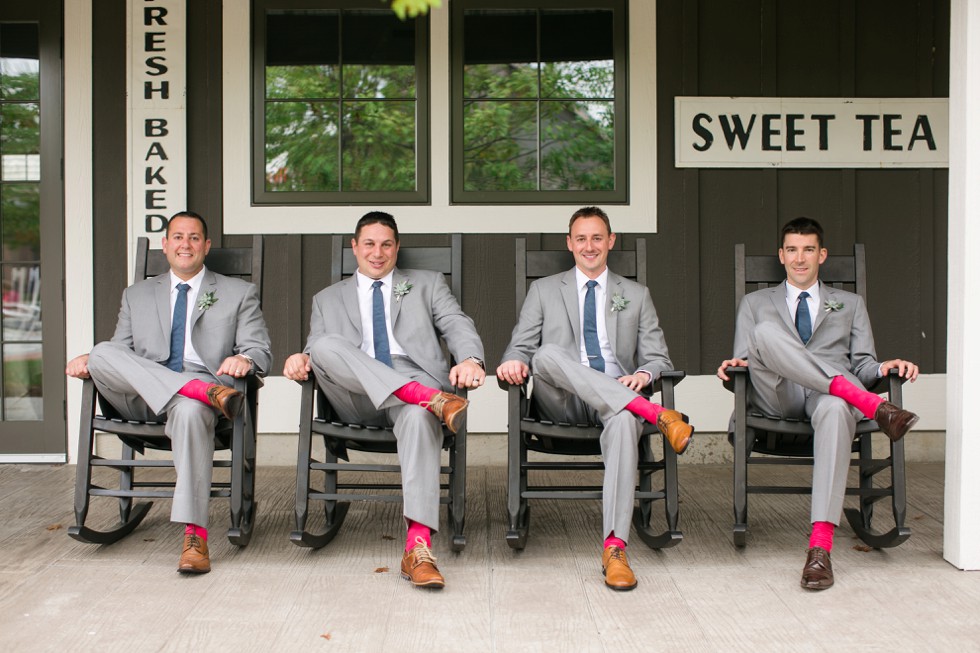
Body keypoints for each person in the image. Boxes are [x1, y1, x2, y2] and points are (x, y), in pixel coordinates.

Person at [282, 211, 485, 590]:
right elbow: (318, 351)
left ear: (397, 247)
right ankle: (428, 399)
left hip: (413, 395)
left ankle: (417, 546)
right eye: (369, 244)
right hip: (355, 398)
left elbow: (456, 323)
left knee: (420, 416)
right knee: (326, 345)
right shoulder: (327, 298)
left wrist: (471, 359)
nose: (378, 253)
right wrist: (300, 358)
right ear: (355, 247)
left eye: (386, 244)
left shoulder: (427, 284)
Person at [497, 206, 694, 591]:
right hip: (561, 399)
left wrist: (643, 373)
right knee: (546, 355)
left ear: (611, 241)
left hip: (616, 398)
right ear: (569, 244)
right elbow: (520, 347)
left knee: (622, 420)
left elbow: (658, 358)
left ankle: (615, 548)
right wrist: (511, 363)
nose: (590, 246)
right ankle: (655, 413)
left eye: (597, 237)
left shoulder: (636, 295)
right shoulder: (544, 289)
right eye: (582, 238)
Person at [717, 216, 919, 591]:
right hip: (777, 395)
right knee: (765, 333)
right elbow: (747, 356)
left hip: (829, 401)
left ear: (821, 254)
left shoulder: (851, 304)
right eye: (792, 249)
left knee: (836, 407)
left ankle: (820, 548)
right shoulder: (755, 302)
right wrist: (736, 365)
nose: (800, 258)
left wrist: (883, 367)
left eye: (808, 249)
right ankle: (871, 403)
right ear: (781, 255)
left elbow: (862, 362)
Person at [65, 211, 272, 574]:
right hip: (141, 398)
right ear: (165, 245)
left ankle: (196, 535)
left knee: (191, 410)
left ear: (206, 246)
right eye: (177, 237)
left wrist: (243, 358)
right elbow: (121, 352)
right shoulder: (137, 294)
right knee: (102, 351)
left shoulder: (238, 293)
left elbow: (260, 351)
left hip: (198, 407)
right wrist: (96, 359)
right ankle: (198, 390)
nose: (185, 244)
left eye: (194, 237)